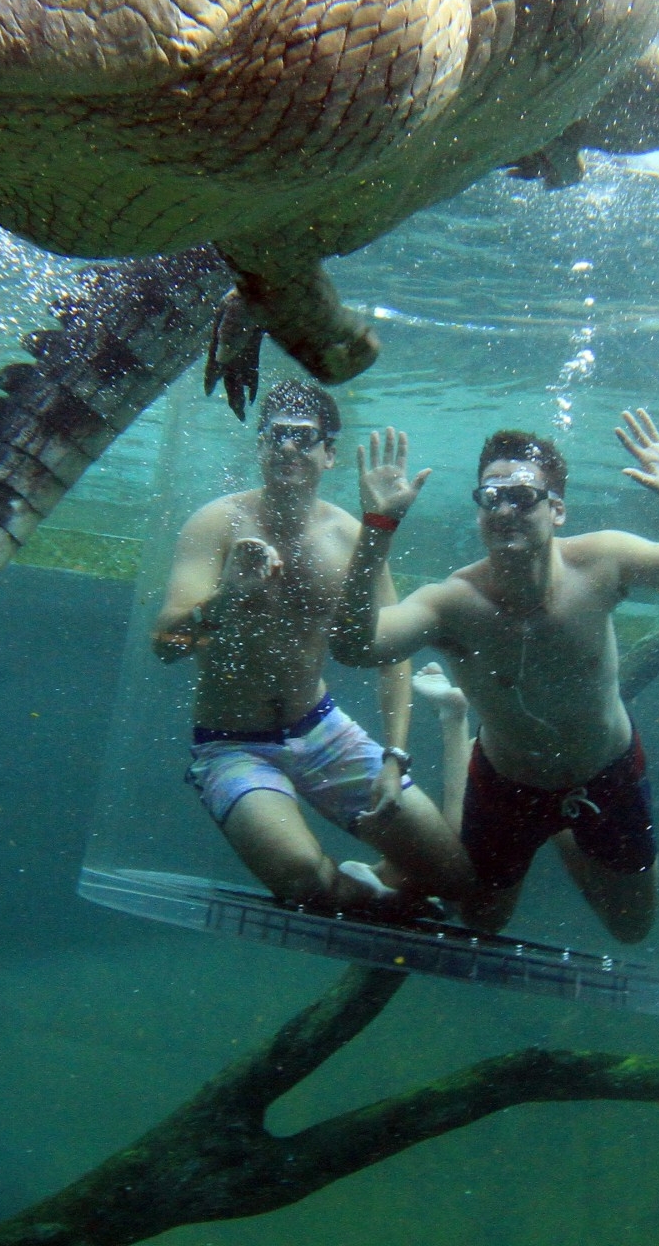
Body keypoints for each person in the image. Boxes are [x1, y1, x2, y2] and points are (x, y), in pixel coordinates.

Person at [336, 411, 659, 943]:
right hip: (508, 783)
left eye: (522, 495)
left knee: (631, 929)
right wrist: (377, 528)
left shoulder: (603, 561)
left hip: (606, 773)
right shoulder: (454, 603)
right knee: (482, 920)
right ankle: (456, 721)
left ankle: (564, 826)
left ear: (557, 509)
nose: (505, 508)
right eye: (491, 497)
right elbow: (355, 647)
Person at [152, 378, 476, 917]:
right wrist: (228, 595)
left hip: (322, 729)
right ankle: (368, 893)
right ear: (259, 446)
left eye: (302, 438)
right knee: (304, 880)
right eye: (275, 436)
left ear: (330, 454)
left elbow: (390, 651)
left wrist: (395, 758)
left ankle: (374, 885)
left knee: (456, 880)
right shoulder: (216, 523)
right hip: (232, 743)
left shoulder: (351, 535)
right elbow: (166, 646)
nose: (286, 448)